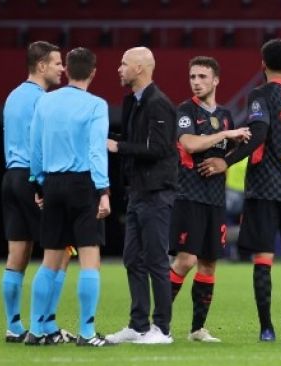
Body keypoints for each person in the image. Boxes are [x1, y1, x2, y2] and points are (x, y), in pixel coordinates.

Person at [199, 39, 281, 341]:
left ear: (262, 64)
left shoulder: (261, 94)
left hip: (264, 188)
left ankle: (267, 328)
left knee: (263, 260)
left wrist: (226, 161)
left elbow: (259, 133)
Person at [27, 47, 112, 346]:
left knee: (50, 259)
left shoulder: (45, 102)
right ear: (92, 72)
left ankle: (36, 330)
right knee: (89, 258)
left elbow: (34, 146)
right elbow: (95, 150)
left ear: (67, 70)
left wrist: (38, 184)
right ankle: (87, 333)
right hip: (82, 184)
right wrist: (103, 190)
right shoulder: (96, 105)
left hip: (51, 183)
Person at [168, 56, 251, 343]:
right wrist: (226, 134)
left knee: (208, 263)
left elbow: (224, 152)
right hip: (189, 195)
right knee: (185, 260)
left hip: (215, 198)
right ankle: (159, 324)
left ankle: (197, 329)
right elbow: (189, 143)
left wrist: (226, 158)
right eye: (192, 77)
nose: (196, 82)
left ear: (216, 80)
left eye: (202, 77)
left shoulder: (225, 113)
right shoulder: (186, 110)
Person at [1, 40, 77, 344]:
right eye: (58, 63)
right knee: (61, 250)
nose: (63, 69)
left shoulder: (12, 97)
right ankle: (46, 325)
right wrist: (43, 183)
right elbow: (43, 145)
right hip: (35, 177)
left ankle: (13, 325)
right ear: (42, 65)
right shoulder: (44, 101)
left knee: (17, 253)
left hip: (10, 177)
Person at [106, 47, 178, 344]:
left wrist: (118, 146)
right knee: (132, 258)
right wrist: (113, 140)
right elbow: (139, 142)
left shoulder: (159, 104)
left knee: (156, 259)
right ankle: (138, 325)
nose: (119, 69)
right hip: (137, 191)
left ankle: (162, 329)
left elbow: (160, 149)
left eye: (123, 64)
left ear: (139, 68)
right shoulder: (134, 102)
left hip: (156, 192)